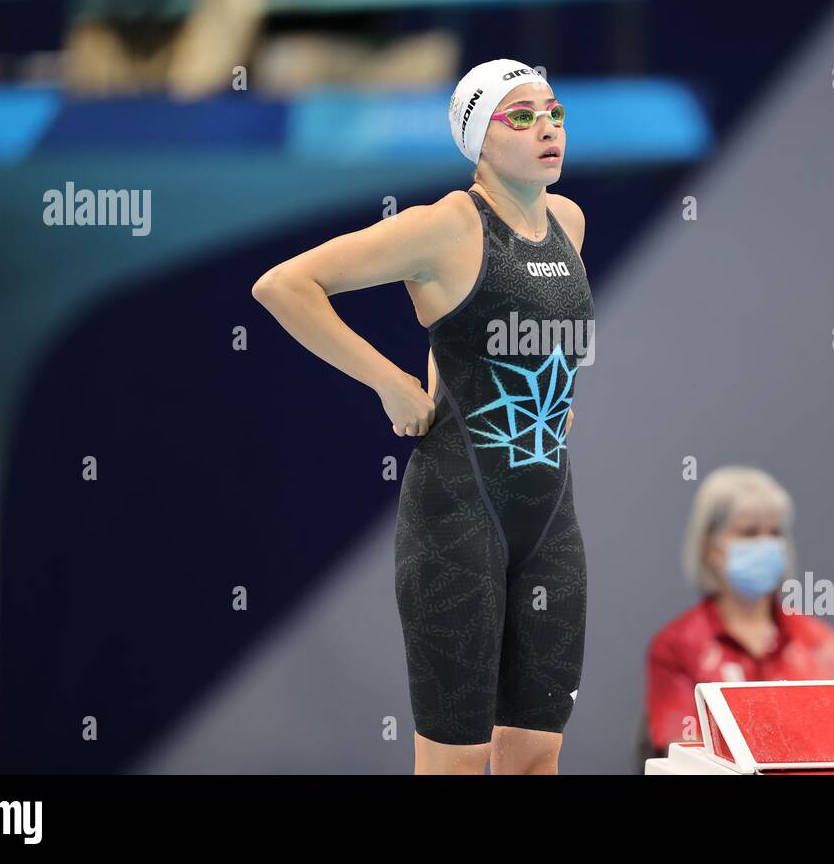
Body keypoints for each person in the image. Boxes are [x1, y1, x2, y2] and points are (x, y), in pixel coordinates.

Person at [252, 58, 593, 774]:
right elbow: (285, 285)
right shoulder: (444, 226)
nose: (547, 128)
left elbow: (466, 331)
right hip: (457, 520)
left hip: (550, 519)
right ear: (478, 137)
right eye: (522, 116)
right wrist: (390, 385)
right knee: (456, 765)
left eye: (554, 112)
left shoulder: (568, 222)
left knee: (535, 759)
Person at [642, 466, 834, 761]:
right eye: (749, 532)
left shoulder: (820, 642)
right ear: (711, 548)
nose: (766, 544)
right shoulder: (677, 646)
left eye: (775, 532)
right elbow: (681, 755)